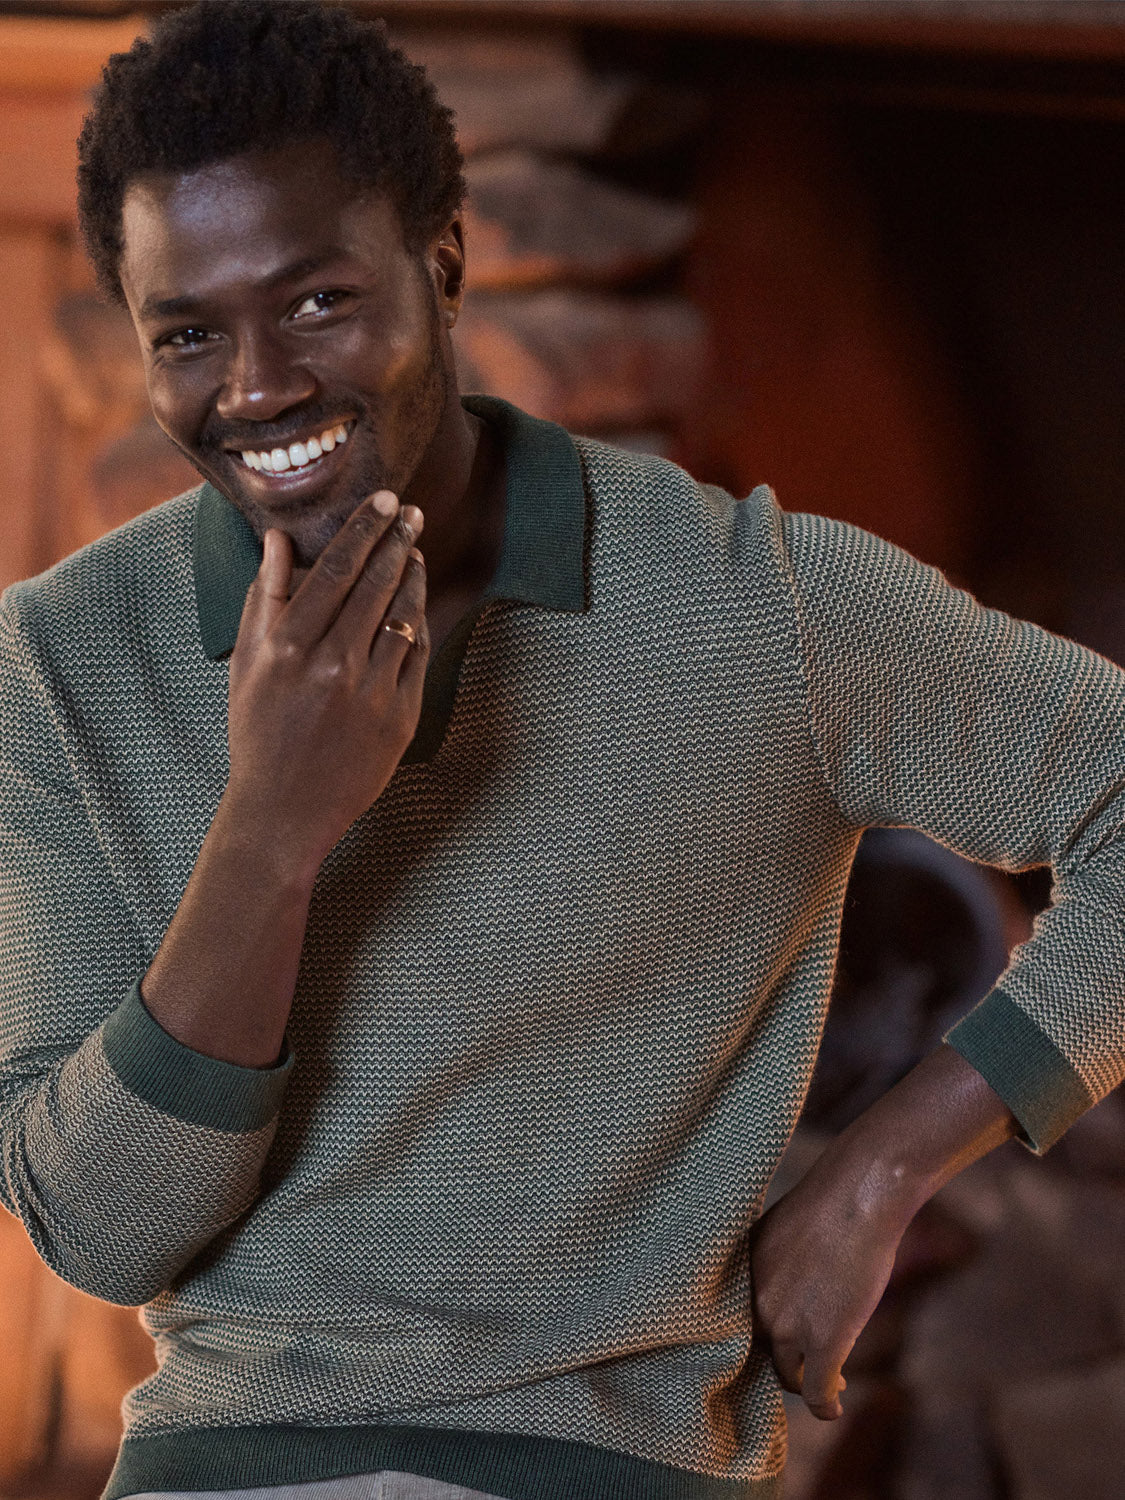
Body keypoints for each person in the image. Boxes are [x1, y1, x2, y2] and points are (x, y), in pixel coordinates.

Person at [0, 3, 1121, 1498]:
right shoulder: (59, 661)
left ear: (444, 267)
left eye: (319, 301)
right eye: (188, 334)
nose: (255, 386)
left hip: (601, 1467)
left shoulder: (759, 608)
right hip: (232, 1467)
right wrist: (270, 828)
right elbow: (99, 1229)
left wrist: (883, 1168)